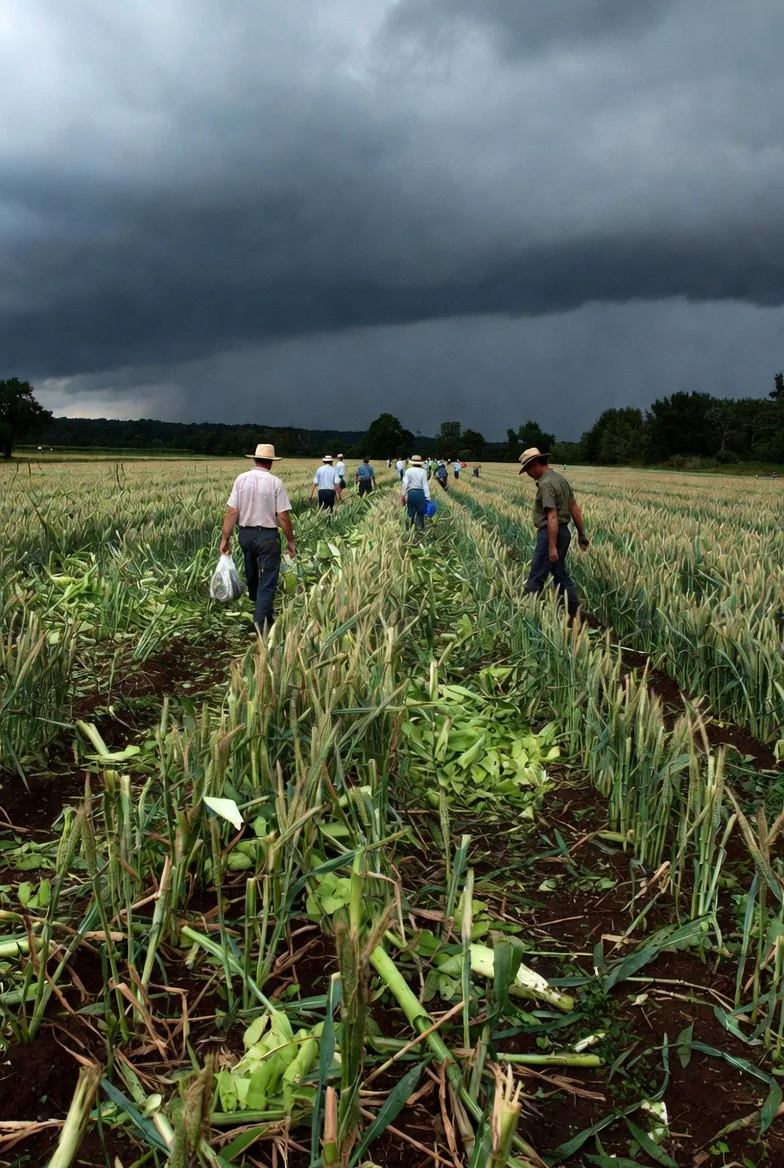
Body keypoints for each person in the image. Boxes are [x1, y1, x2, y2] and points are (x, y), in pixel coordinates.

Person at [220, 443, 295, 632]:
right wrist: (291, 541)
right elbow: (283, 516)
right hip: (269, 536)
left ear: (254, 459)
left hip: (246, 535)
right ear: (271, 462)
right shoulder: (275, 482)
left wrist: (225, 539)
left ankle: (263, 609)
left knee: (252, 572)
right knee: (269, 578)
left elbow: (232, 511)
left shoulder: (241, 479)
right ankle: (260, 621)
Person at [518, 447, 588, 620]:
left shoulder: (545, 484)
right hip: (564, 533)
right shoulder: (560, 479)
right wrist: (581, 534)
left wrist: (551, 545)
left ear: (535, 464)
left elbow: (552, 515)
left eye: (527, 469)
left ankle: (526, 614)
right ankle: (574, 612)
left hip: (551, 534)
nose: (527, 474)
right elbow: (574, 509)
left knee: (537, 574)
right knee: (560, 573)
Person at [401, 454, 430, 530]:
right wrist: (428, 497)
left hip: (411, 493)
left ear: (412, 462)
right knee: (420, 513)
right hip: (421, 493)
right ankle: (419, 529)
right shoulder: (424, 472)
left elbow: (405, 484)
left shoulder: (408, 471)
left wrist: (403, 496)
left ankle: (410, 529)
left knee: (410, 513)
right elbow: (425, 485)